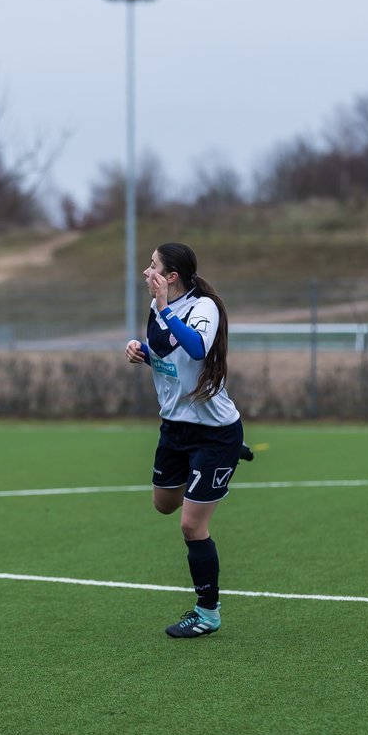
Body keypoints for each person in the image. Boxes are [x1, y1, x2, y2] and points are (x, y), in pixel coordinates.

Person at [125, 243, 244, 638]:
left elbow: (194, 346)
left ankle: (207, 613)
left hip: (213, 434)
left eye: (153, 266)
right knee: (163, 504)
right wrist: (142, 352)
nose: (146, 271)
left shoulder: (202, 308)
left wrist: (161, 309)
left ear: (171, 276)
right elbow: (165, 349)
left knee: (191, 526)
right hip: (174, 429)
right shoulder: (160, 306)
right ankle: (210, 473)